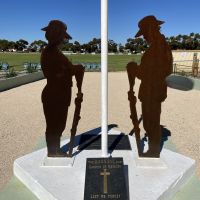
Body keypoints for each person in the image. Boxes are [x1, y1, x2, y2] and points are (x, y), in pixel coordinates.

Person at [127, 16, 173, 157]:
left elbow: (151, 73)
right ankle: (153, 149)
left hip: (152, 92)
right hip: (152, 91)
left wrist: (134, 69)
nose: (145, 37)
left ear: (150, 30)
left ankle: (153, 151)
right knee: (150, 122)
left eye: (145, 34)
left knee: (151, 122)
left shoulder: (158, 48)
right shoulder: (160, 45)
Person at [41, 20, 84, 157]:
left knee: (59, 124)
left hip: (60, 93)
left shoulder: (55, 52)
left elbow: (65, 70)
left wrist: (73, 69)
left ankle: (55, 149)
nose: (62, 39)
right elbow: (54, 74)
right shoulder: (50, 52)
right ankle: (53, 151)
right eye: (61, 36)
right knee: (55, 124)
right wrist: (73, 69)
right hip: (54, 93)